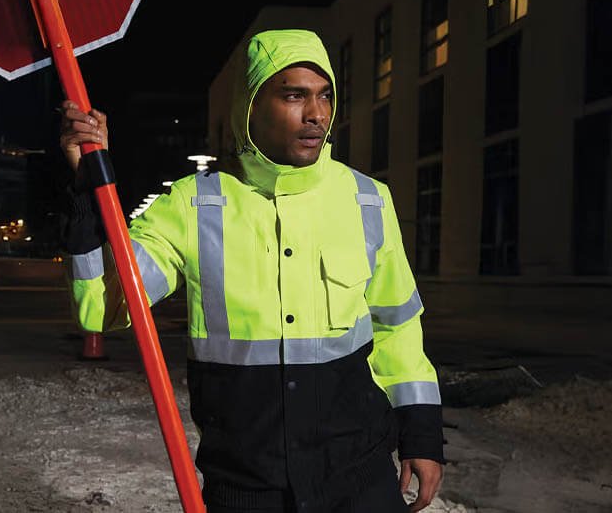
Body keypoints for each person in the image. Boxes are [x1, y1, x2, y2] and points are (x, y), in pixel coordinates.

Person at [59, 29, 444, 512]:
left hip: (359, 479)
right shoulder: (195, 205)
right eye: (294, 96)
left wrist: (422, 434)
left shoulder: (366, 199)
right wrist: (87, 188)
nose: (317, 114)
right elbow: (100, 308)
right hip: (246, 486)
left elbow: (398, 326)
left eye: (325, 95)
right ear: (251, 107)